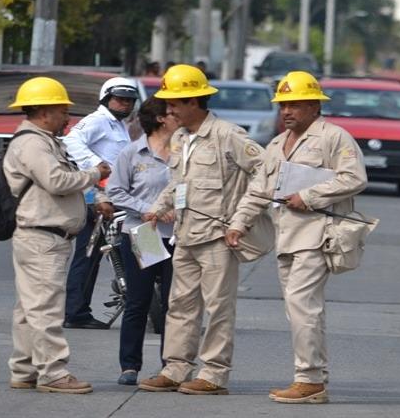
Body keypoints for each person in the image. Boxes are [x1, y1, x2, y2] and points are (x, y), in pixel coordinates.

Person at [224, 71, 367, 404]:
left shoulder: (334, 137)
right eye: (282, 105)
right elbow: (259, 189)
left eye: (295, 105)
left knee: (304, 308)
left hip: (316, 235)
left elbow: (354, 177)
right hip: (285, 236)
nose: (287, 112)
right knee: (300, 310)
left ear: (314, 106)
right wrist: (238, 223)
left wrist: (311, 196)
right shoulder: (276, 144)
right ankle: (313, 378)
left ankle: (310, 380)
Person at [137, 64, 263, 395]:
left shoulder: (229, 135)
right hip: (187, 234)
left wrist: (240, 220)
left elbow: (265, 174)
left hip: (219, 237)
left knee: (218, 307)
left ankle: (214, 374)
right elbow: (177, 181)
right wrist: (158, 207)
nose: (169, 110)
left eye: (175, 103)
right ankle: (175, 368)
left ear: (195, 101)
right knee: (179, 304)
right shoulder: (179, 138)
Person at [2, 76, 112, 394]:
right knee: (46, 307)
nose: (67, 117)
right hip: (41, 237)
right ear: (45, 110)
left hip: (45, 235)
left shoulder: (44, 140)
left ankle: (23, 370)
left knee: (29, 308)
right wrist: (93, 175)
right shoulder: (33, 143)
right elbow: (56, 182)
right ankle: (53, 372)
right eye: (63, 110)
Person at [106, 97, 179, 386]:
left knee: (175, 304)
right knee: (139, 299)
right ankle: (129, 365)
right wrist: (146, 209)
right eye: (172, 113)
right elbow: (115, 191)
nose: (178, 117)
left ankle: (170, 365)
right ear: (160, 118)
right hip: (144, 233)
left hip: (176, 234)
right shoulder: (133, 153)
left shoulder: (184, 152)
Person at [62, 77, 140, 329]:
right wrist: (96, 167)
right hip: (98, 198)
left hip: (124, 198)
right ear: (107, 98)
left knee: (138, 251)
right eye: (120, 98)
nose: (125, 103)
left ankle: (147, 305)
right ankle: (75, 312)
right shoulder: (98, 120)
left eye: (129, 99)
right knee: (88, 255)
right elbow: (71, 141)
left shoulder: (119, 125)